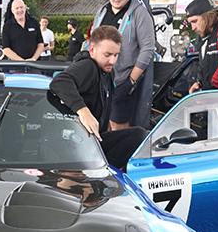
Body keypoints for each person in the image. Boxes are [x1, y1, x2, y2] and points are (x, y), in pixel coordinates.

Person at [48, 25, 148, 171]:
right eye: (107, 55)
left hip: (93, 141)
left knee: (138, 135)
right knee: (138, 134)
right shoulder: (88, 65)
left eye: (116, 55)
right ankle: (102, 173)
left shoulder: (108, 73)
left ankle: (106, 172)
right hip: (74, 144)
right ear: (92, 50)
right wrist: (83, 111)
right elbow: (60, 82)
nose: (112, 61)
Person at [89, 0, 155, 130]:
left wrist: (131, 81)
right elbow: (93, 40)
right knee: (101, 123)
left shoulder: (139, 13)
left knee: (119, 124)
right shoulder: (102, 11)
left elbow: (147, 48)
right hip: (100, 79)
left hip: (122, 78)